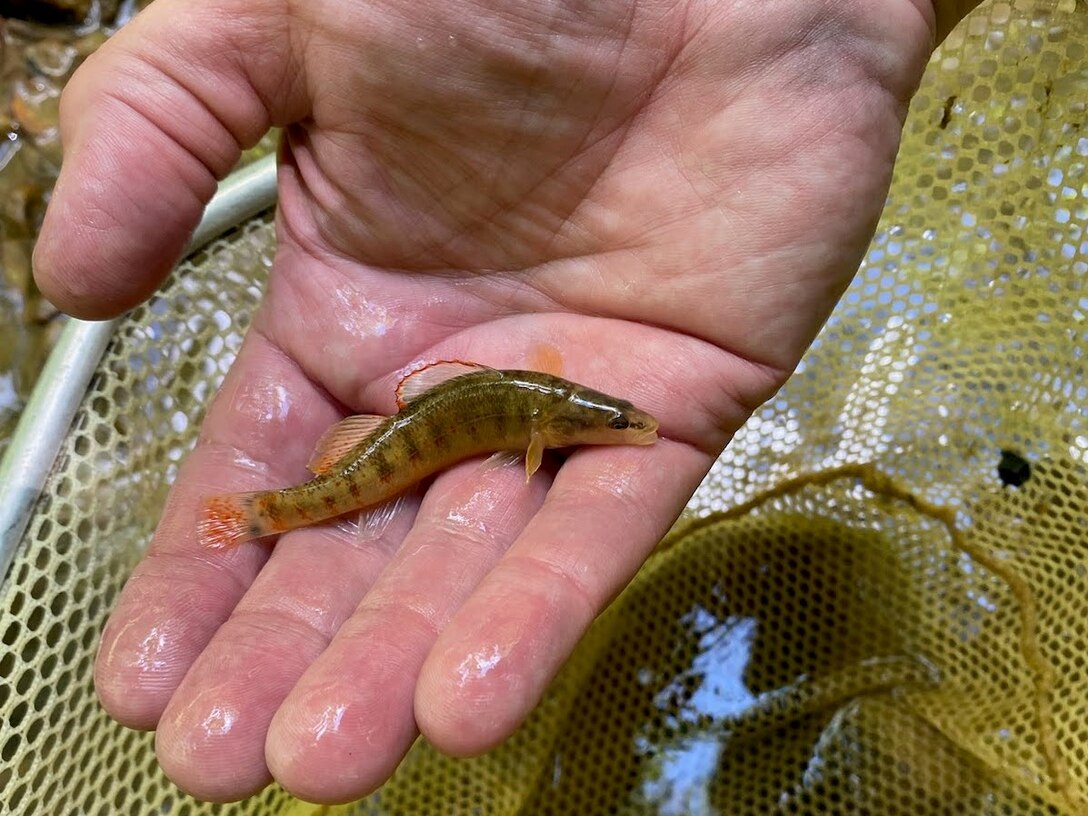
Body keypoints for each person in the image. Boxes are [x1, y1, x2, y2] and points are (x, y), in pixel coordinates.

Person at [33, 0, 981, 804]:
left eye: (606, 421)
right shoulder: (536, 424)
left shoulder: (555, 413)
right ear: (556, 426)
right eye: (602, 422)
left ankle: (269, 514)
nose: (621, 429)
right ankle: (263, 517)